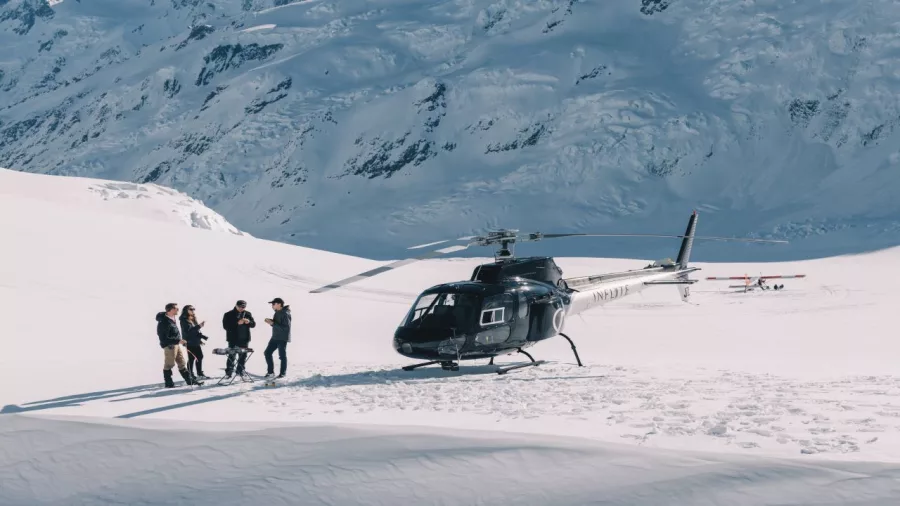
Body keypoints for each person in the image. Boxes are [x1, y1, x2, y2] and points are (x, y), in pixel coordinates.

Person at [156, 303, 201, 387]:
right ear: (171, 310)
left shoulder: (171, 318)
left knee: (181, 362)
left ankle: (189, 380)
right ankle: (168, 383)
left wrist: (178, 341)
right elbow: (163, 338)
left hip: (175, 344)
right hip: (169, 346)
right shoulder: (164, 322)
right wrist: (178, 340)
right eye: (176, 308)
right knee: (169, 364)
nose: (178, 310)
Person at [222, 300, 255, 378]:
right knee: (232, 355)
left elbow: (253, 324)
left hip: (244, 339)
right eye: (240, 306)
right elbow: (225, 326)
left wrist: (248, 322)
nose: (241, 308)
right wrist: (237, 323)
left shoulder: (248, 313)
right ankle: (229, 372)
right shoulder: (228, 314)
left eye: (243, 307)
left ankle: (240, 371)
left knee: (243, 356)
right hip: (233, 339)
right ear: (236, 305)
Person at [263, 297, 291, 379]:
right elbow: (277, 324)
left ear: (279, 304)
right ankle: (270, 372)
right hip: (275, 337)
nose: (272, 305)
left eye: (273, 304)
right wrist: (270, 321)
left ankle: (282, 373)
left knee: (282, 356)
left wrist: (272, 323)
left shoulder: (285, 313)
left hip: (282, 338)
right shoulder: (277, 312)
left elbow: (286, 328)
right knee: (267, 353)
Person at [179, 305, 209, 380]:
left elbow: (195, 331)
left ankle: (199, 373)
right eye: (191, 309)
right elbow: (188, 331)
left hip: (195, 341)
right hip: (189, 342)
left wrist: (200, 339)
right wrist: (199, 326)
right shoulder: (184, 320)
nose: (192, 310)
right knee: (191, 358)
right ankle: (190, 374)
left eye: (193, 309)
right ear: (186, 310)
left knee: (200, 356)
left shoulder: (193, 318)